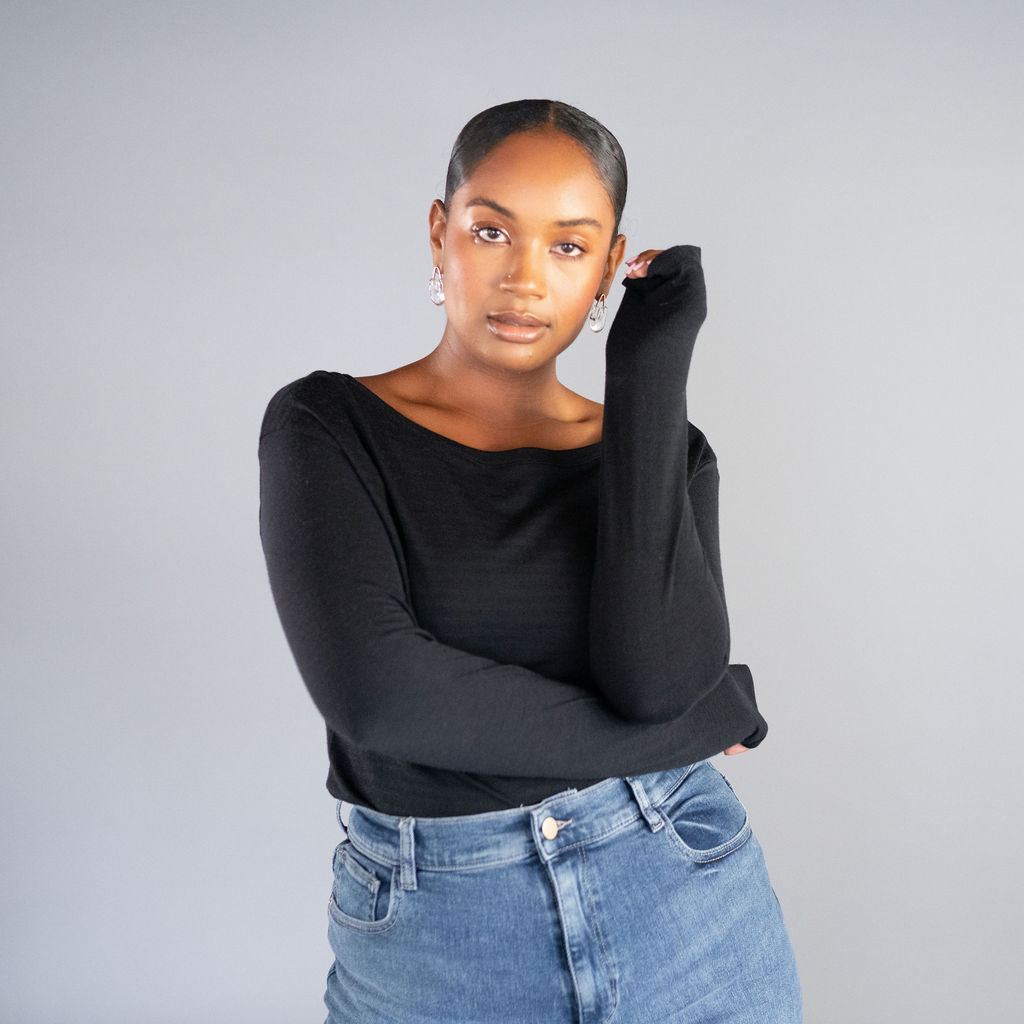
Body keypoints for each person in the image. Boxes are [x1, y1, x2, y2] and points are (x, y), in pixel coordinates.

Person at [258, 98, 802, 1023]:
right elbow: (383, 699)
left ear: (608, 267)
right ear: (440, 233)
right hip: (440, 942)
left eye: (569, 246)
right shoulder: (327, 426)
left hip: (686, 903)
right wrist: (698, 723)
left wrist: (648, 376)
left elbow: (658, 681)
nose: (523, 278)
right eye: (491, 231)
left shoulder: (669, 451)